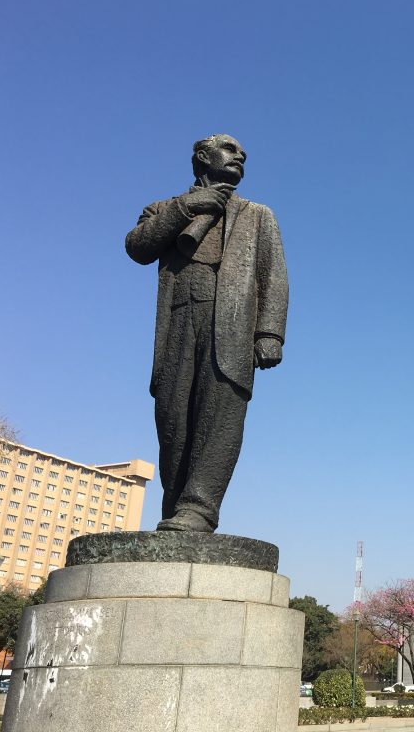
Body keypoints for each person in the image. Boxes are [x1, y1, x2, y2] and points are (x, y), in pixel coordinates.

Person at [126, 134, 289, 532]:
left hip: (232, 327)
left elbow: (275, 277)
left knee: (219, 419)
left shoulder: (257, 215)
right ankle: (175, 506)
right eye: (230, 150)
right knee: (173, 420)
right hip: (179, 322)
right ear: (202, 157)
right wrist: (186, 208)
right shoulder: (165, 208)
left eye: (243, 155)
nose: (240, 157)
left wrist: (270, 333)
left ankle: (199, 508)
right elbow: (138, 247)